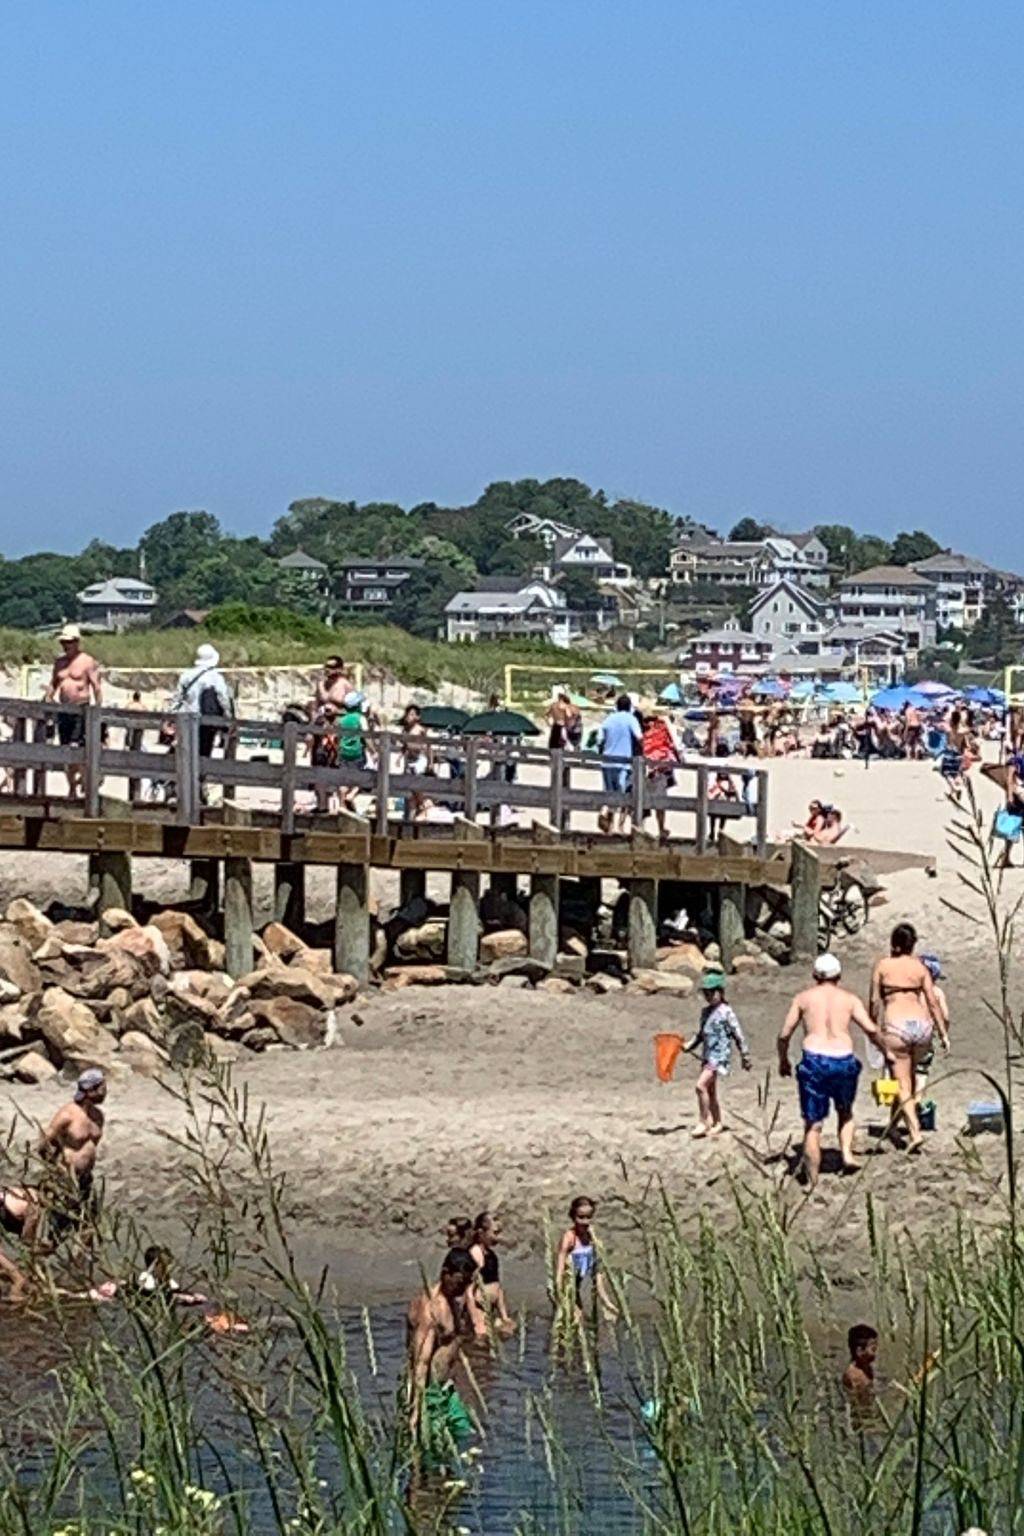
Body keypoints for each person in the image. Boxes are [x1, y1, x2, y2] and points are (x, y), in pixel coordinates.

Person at [777, 954, 887, 1188]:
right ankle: (846, 1154)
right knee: (845, 1112)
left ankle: (813, 1179)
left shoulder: (803, 998)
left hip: (814, 1061)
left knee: (813, 1125)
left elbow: (784, 1034)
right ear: (839, 975)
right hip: (843, 1059)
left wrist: (783, 1060)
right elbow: (871, 1030)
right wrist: (887, 1051)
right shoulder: (849, 999)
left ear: (815, 976)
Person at [869, 923, 949, 1151]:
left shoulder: (883, 966)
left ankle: (914, 1133)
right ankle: (893, 1126)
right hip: (922, 1028)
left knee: (902, 1082)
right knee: (908, 1078)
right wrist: (943, 1034)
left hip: (897, 1026)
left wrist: (873, 1028)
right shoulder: (920, 968)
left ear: (894, 944)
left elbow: (874, 1002)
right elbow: (932, 1002)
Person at [406, 1248, 479, 1460]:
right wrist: (417, 1408)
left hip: (447, 1389)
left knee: (466, 1436)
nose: (463, 1289)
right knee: (432, 1453)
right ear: (446, 1273)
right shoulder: (430, 1309)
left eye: (467, 1283)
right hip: (429, 1394)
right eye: (460, 1283)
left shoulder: (453, 1299)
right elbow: (421, 1362)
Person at [38, 1067, 107, 1241]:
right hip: (66, 1180)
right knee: (55, 1234)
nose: (105, 1093)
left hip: (85, 1180)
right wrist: (57, 1168)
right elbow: (43, 1143)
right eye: (102, 1088)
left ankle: (80, 1258)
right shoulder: (67, 1115)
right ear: (90, 1090)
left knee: (88, 1230)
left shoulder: (98, 1116)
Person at [687, 972, 751, 1137]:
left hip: (719, 1058)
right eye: (706, 993)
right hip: (707, 1056)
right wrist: (689, 1045)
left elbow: (738, 1034)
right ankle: (717, 1122)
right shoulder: (705, 1012)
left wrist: (745, 1056)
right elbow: (701, 1034)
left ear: (720, 992)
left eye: (712, 992)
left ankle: (703, 1122)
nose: (709, 996)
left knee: (700, 1086)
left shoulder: (726, 1012)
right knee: (710, 1091)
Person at [44, 624, 103, 797]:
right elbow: (53, 684)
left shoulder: (87, 661)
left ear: (77, 642)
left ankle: (86, 782)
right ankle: (72, 787)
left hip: (81, 709)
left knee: (78, 747)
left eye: (69, 642)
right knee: (65, 751)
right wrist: (47, 701)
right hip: (64, 710)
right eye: (63, 642)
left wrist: (98, 710)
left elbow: (96, 687)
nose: (65, 645)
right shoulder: (59, 663)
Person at [554, 1195, 618, 1321]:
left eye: (588, 1217)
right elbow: (560, 1269)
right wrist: (559, 1291)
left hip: (581, 1281)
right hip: (568, 1284)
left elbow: (597, 1272)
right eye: (581, 1217)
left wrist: (606, 1301)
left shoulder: (591, 1237)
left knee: (593, 1316)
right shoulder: (569, 1238)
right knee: (575, 1317)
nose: (585, 1221)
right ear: (573, 1217)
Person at [171, 644, 235, 759]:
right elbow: (223, 700)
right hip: (205, 721)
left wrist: (171, 716)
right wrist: (229, 717)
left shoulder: (186, 675)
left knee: (186, 752)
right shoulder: (216, 678)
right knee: (204, 752)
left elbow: (178, 698)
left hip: (186, 719)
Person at [596, 695, 641, 834]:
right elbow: (639, 737)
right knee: (622, 795)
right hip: (623, 763)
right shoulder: (631, 719)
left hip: (607, 762)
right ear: (629, 707)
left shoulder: (609, 719)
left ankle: (608, 822)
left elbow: (599, 739)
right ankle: (617, 826)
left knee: (609, 794)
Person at [469, 1212, 514, 1336]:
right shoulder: (476, 1252)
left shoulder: (492, 1256)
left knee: (508, 1331)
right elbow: (469, 1290)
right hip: (478, 1308)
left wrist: (504, 1315)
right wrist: (474, 1316)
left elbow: (498, 1288)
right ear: (481, 1233)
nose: (498, 1238)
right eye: (495, 1233)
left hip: (491, 1308)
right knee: (482, 1337)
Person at [641, 711, 682, 838]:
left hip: (644, 765)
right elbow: (675, 743)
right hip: (659, 766)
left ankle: (640, 828)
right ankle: (661, 828)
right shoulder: (663, 727)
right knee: (660, 801)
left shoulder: (643, 727)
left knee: (642, 799)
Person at [842, 1323, 879, 1406]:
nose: (876, 1353)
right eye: (873, 1349)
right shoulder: (853, 1376)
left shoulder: (867, 1368)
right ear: (859, 1351)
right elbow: (857, 1401)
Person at [707, 769, 739, 842]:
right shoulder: (717, 782)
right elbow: (710, 791)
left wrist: (723, 789)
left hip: (724, 803)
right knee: (714, 816)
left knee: (722, 816)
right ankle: (713, 833)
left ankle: (719, 832)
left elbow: (733, 791)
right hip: (717, 802)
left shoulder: (728, 783)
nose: (723, 775)